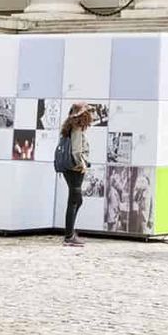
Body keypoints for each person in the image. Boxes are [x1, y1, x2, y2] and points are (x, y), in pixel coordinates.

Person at [59, 103, 93, 247]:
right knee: (74, 201)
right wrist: (83, 165)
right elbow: (77, 151)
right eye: (88, 113)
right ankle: (69, 236)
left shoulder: (69, 127)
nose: (90, 116)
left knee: (76, 200)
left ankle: (70, 233)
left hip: (68, 168)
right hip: (75, 168)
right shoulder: (77, 128)